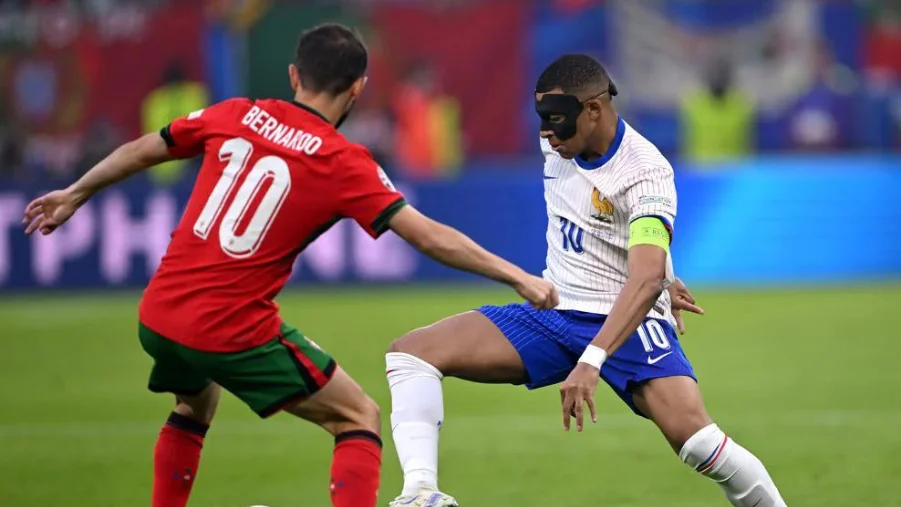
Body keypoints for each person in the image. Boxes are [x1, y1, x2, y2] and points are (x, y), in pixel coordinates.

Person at [21, 24, 557, 507]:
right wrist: (517, 275)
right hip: (228, 327)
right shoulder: (343, 162)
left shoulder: (232, 113)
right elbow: (427, 235)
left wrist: (75, 192)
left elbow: (144, 148)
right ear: (358, 88)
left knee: (195, 403)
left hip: (159, 314)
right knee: (358, 417)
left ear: (294, 74)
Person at [385, 54, 790, 507]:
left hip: (626, 323)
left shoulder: (645, 172)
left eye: (555, 119)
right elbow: (637, 247)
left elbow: (645, 272)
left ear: (594, 109)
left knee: (696, 442)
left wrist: (594, 358)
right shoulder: (558, 142)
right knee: (411, 354)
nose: (545, 132)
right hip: (555, 310)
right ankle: (421, 495)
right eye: (541, 118)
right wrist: (667, 276)